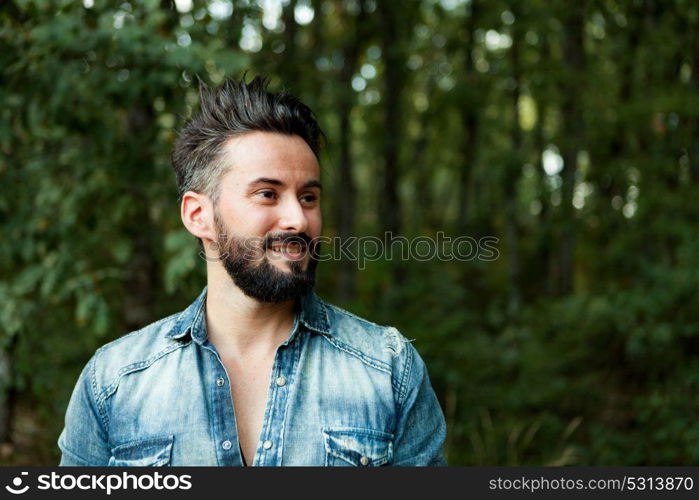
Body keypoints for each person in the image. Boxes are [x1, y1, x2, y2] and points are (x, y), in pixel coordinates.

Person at [58, 76, 447, 466]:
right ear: (199, 215)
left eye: (309, 197)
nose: (297, 219)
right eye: (267, 194)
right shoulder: (114, 382)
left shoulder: (388, 369)